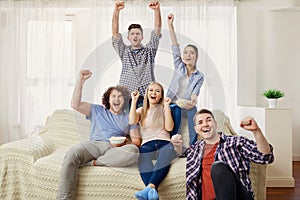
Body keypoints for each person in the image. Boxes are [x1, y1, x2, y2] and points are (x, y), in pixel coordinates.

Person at [57, 69, 141, 200]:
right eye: (113, 96)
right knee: (72, 153)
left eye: (120, 96)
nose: (116, 99)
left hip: (114, 150)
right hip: (93, 145)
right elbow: (75, 104)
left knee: (133, 151)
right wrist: (81, 81)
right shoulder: (97, 110)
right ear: (108, 99)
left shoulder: (129, 117)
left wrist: (124, 143)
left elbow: (136, 142)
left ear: (124, 100)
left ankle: (93, 163)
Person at [172, 109, 274, 200]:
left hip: (238, 196)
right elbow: (179, 153)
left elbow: (265, 157)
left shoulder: (235, 142)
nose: (205, 124)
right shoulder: (194, 149)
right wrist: (176, 144)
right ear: (196, 129)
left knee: (218, 167)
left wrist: (256, 131)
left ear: (215, 124)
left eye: (208, 120)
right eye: (200, 122)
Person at [129, 82, 179, 200]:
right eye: (151, 90)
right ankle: (152, 191)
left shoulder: (164, 109)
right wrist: (134, 100)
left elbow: (169, 128)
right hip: (147, 144)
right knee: (142, 154)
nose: (153, 93)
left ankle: (149, 188)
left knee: (167, 151)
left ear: (161, 95)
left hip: (164, 142)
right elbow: (132, 121)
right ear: (147, 93)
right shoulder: (141, 110)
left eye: (157, 91)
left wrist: (167, 107)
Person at [112, 0, 162, 108]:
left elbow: (156, 32)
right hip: (126, 95)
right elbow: (115, 34)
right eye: (132, 34)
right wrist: (116, 11)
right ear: (128, 37)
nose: (135, 36)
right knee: (126, 123)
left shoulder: (149, 51)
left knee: (146, 123)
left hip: (146, 96)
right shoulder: (124, 51)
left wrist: (157, 11)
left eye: (138, 34)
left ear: (142, 37)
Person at [166, 13, 204, 145]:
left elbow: (195, 92)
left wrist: (193, 101)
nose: (188, 55)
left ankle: (193, 146)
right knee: (176, 109)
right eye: (186, 52)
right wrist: (170, 25)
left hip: (187, 105)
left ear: (196, 57)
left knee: (194, 112)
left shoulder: (199, 76)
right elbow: (175, 46)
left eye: (191, 53)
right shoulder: (179, 66)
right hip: (173, 104)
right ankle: (173, 142)